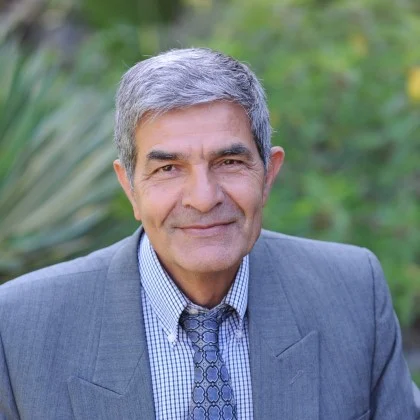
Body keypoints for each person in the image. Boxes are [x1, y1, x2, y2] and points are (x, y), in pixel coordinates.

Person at [0, 48, 419, 420]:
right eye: (168, 168)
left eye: (229, 162)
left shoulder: (352, 293)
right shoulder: (20, 327)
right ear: (130, 187)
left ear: (268, 174)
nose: (203, 198)